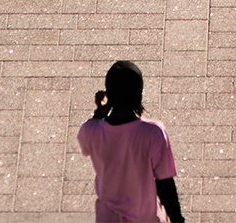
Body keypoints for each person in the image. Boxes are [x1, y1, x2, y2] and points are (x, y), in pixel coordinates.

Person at [77, 60, 184, 223]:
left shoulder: (90, 130)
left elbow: (85, 145)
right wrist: (177, 219)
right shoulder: (152, 133)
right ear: (138, 94)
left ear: (108, 94)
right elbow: (165, 183)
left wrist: (100, 111)